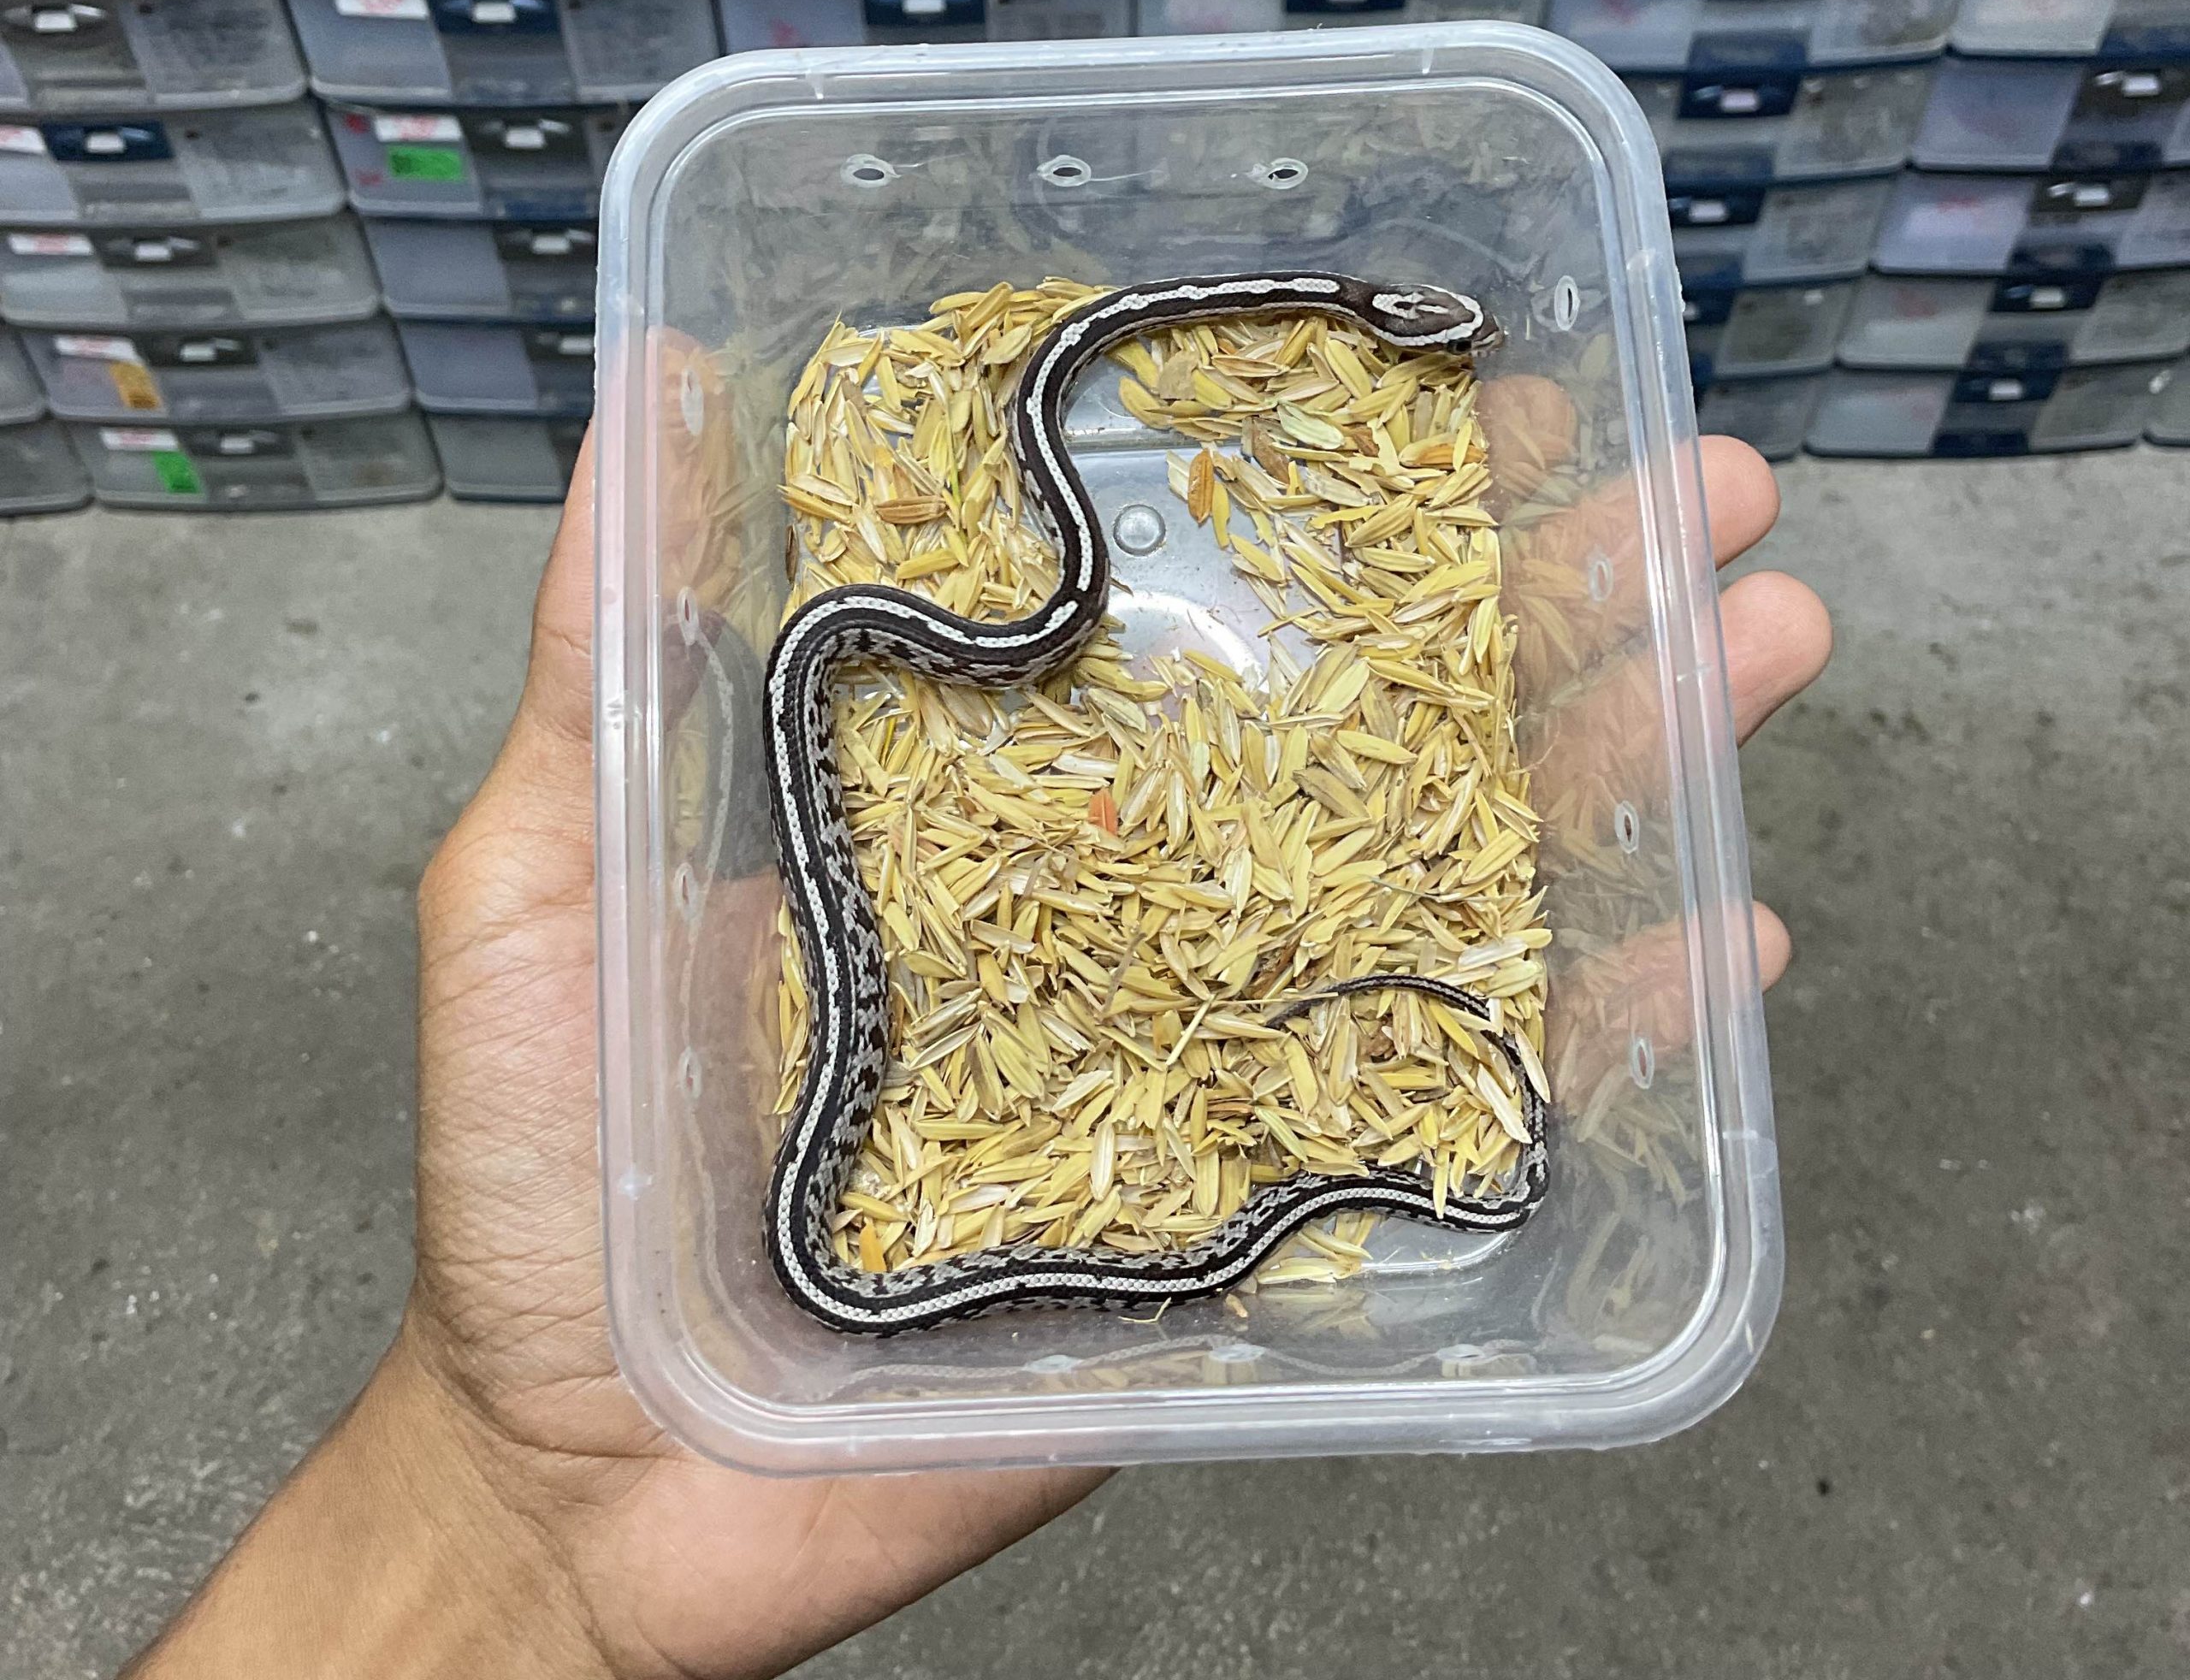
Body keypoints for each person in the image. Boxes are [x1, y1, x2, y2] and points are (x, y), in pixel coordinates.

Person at [125, 433, 1831, 1680]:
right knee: (1007, 686)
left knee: (1057, 689)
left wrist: (520, 1538)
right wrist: (520, 1509)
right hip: (800, 1279)